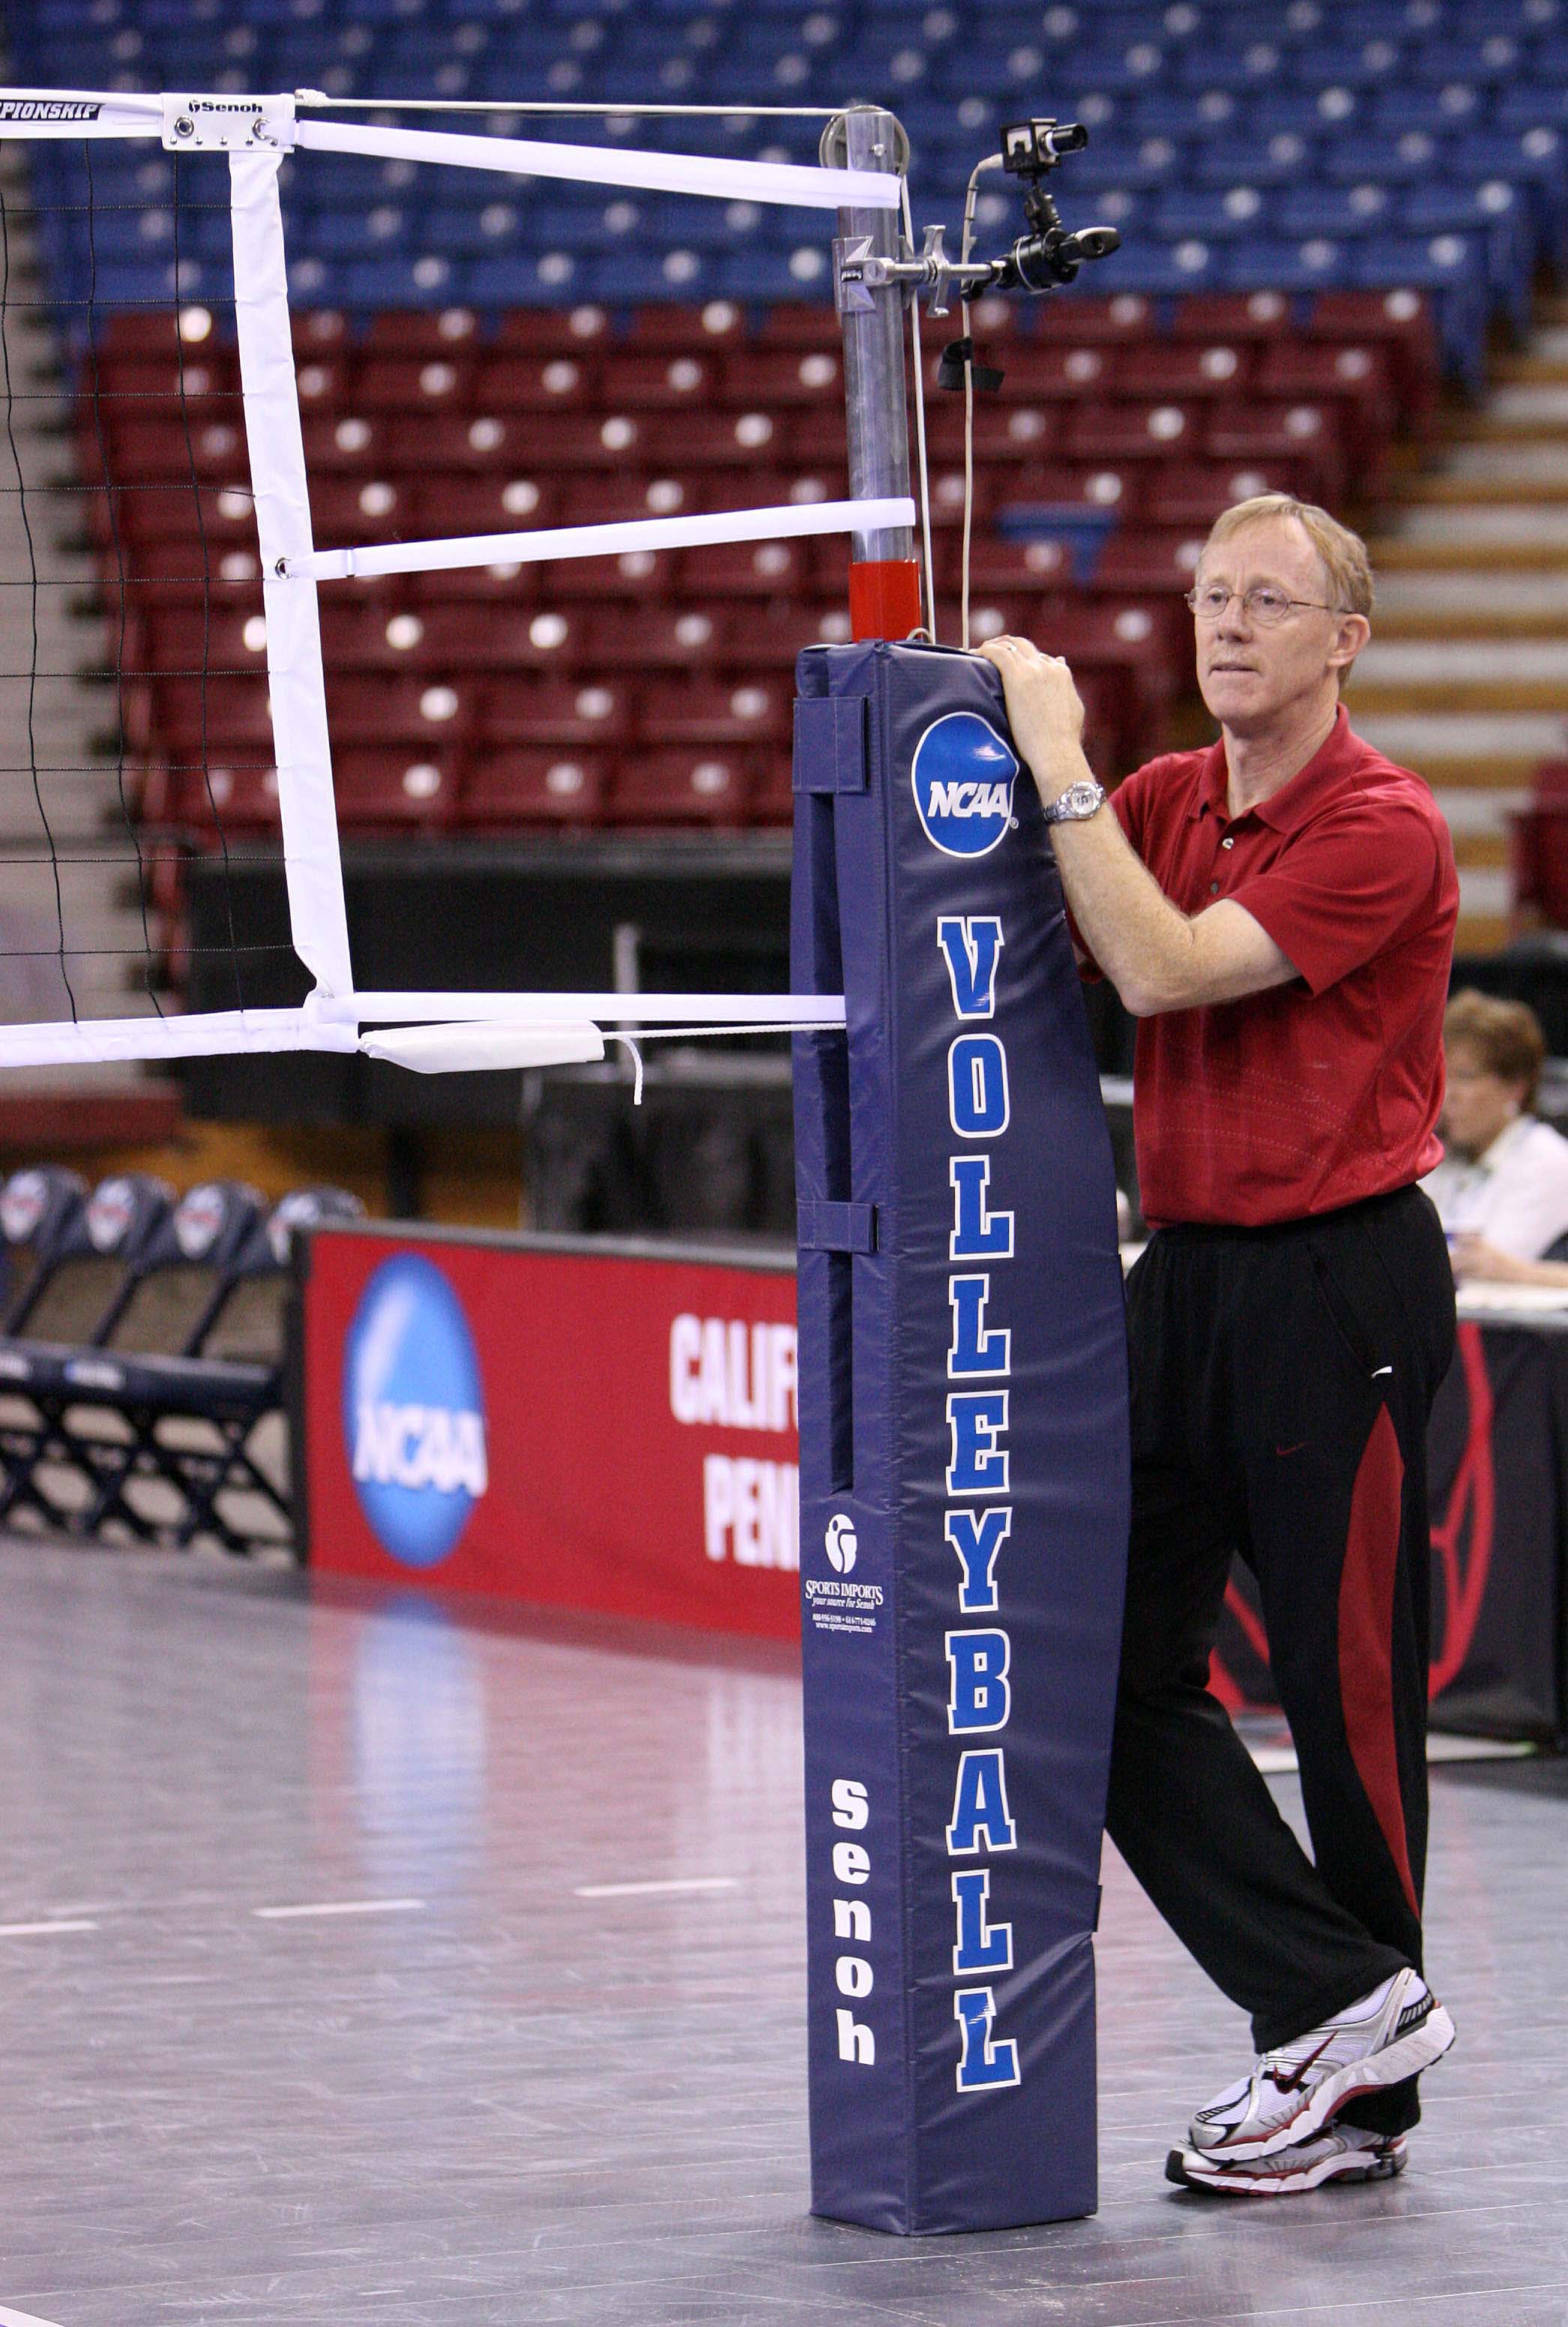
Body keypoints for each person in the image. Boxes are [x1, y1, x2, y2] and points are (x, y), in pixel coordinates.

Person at [980, 492, 1460, 2200]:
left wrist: (1045, 754)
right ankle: (1336, 2003)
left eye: (1267, 599)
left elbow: (1162, 966)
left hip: (1338, 1295)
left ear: (1341, 640)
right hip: (1177, 1280)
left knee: (1346, 1714)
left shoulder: (1379, 827)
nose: (1224, 622)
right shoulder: (1169, 798)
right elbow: (1073, 900)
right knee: (1097, 1672)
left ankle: (1354, 2099)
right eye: (1204, 595)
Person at [1423, 989, 1568, 1288]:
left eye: (1466, 1077)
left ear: (1515, 1088)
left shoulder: (1547, 1159)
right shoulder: (1440, 1152)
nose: (1448, 1094)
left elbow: (1471, 1271)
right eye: (1443, 1075)